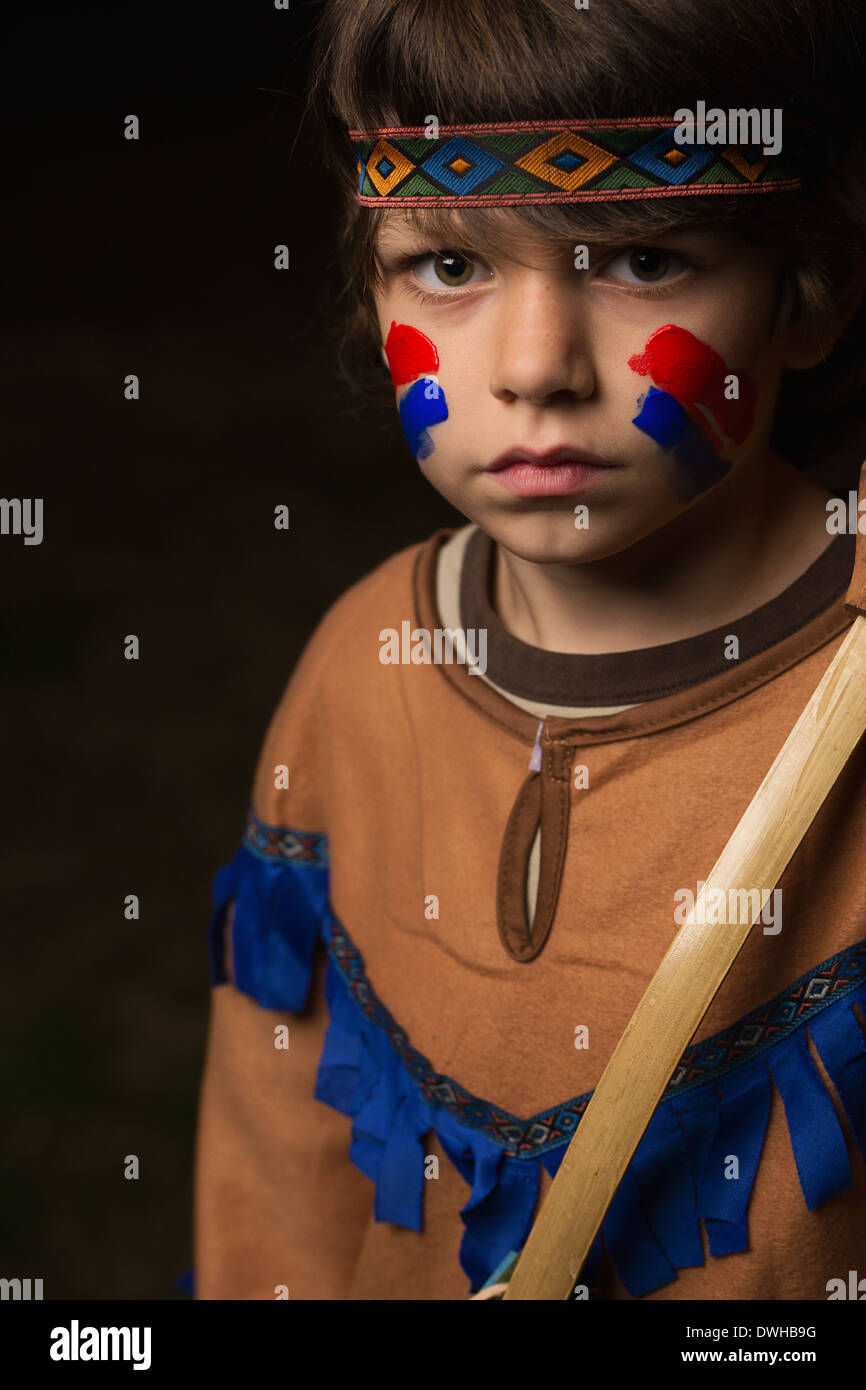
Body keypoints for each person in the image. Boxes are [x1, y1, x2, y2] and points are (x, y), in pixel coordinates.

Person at [193, 0, 866, 1299]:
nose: (535, 365)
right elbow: (273, 1167)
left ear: (807, 291)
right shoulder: (358, 665)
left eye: (645, 259)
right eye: (449, 265)